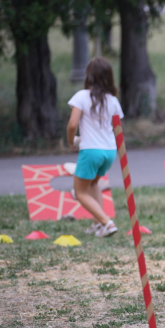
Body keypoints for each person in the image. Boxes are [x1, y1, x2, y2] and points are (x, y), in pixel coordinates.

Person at [66, 57, 123, 238]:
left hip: (90, 150)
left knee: (80, 192)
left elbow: (72, 124)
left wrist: (70, 142)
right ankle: (98, 224)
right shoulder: (112, 100)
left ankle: (107, 222)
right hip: (109, 151)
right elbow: (117, 127)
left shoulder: (82, 96)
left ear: (88, 76)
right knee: (93, 184)